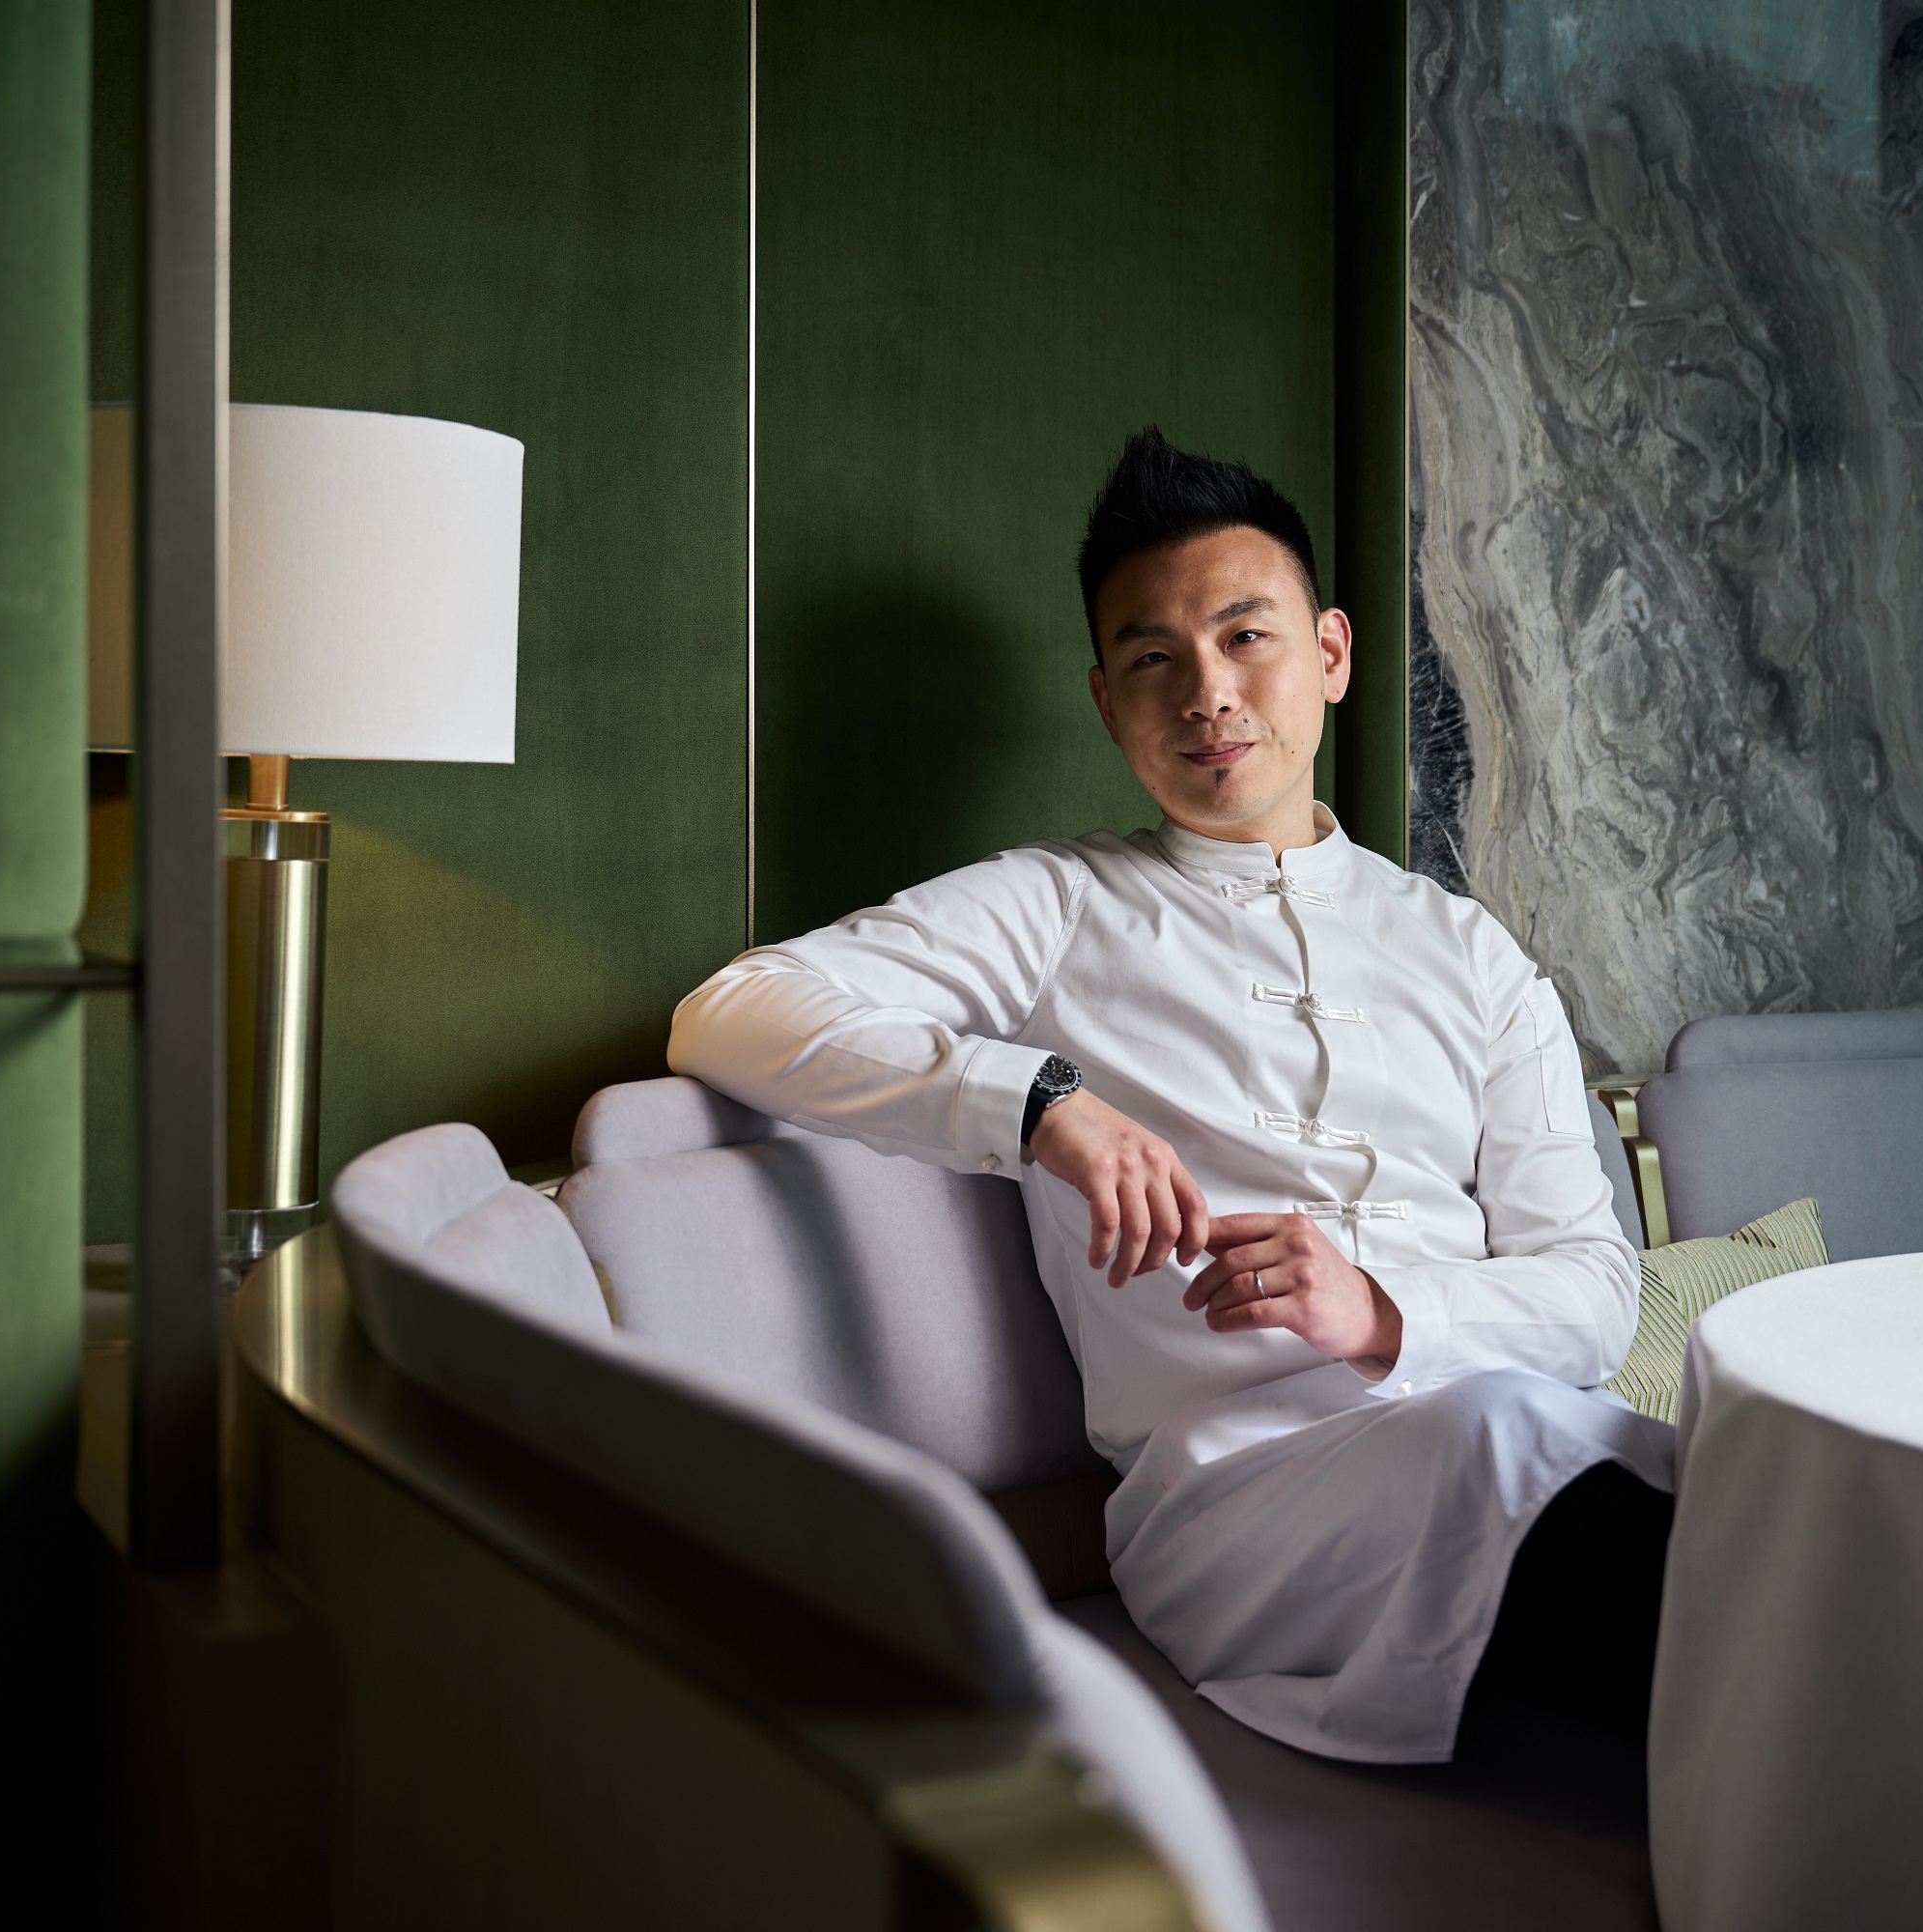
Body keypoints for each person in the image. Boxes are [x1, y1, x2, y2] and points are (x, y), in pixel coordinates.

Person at [669, 428, 1673, 1763]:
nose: (1207, 693)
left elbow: (1595, 1291)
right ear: (1107, 700)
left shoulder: (1471, 952)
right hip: (1238, 1501)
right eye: (1154, 659)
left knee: (1749, 1492)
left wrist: (1383, 1313)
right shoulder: (1056, 904)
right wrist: (1038, 1103)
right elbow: (731, 1011)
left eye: (1245, 637)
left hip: (1506, 1427)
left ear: (1331, 654)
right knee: (1529, 1464)